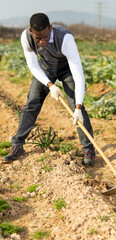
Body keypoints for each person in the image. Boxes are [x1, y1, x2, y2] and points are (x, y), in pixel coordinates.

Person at [2, 13, 95, 166]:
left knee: (76, 108)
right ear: (31, 32)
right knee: (31, 104)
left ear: (50, 29)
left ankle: (88, 150)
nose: (42, 41)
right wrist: (50, 85)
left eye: (45, 36)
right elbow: (33, 65)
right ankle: (17, 146)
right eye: (38, 38)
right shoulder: (26, 37)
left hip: (67, 70)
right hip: (46, 68)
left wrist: (78, 107)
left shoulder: (65, 39)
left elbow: (78, 75)